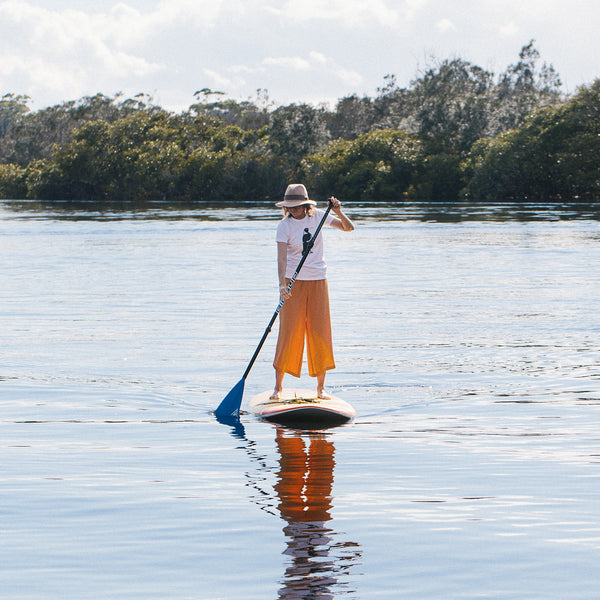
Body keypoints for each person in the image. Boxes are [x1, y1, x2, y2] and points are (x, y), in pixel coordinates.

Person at [271, 183, 354, 400]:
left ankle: (321, 388)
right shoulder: (284, 226)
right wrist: (282, 285)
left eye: (296, 206)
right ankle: (278, 387)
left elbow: (348, 228)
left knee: (319, 330)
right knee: (289, 331)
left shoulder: (318, 216)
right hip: (292, 283)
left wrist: (338, 212)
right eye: (289, 206)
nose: (292, 210)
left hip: (318, 281)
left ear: (305, 204)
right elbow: (281, 258)